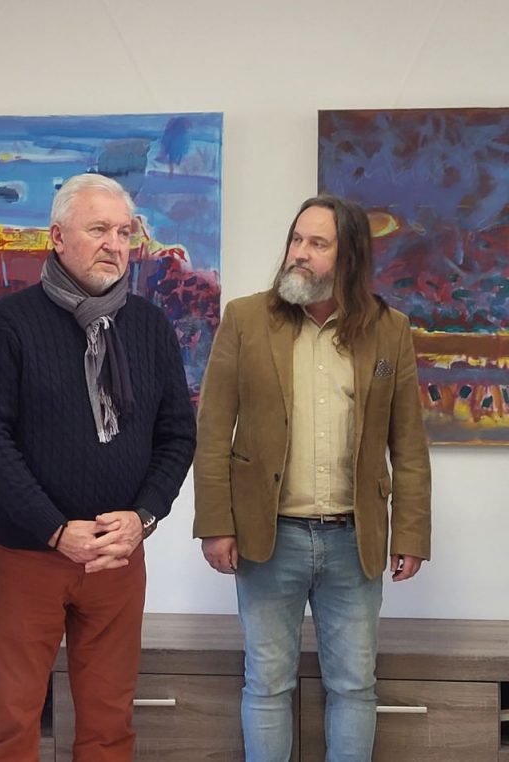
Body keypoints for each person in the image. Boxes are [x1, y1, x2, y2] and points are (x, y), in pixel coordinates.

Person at [0, 173, 197, 762]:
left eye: (124, 232)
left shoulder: (149, 326)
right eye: (98, 230)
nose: (114, 244)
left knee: (109, 723)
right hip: (27, 555)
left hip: (118, 556)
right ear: (58, 237)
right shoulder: (10, 324)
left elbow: (177, 435)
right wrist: (55, 529)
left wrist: (143, 517)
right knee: (13, 721)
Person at [193, 194, 431, 761]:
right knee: (267, 683)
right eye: (296, 240)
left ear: (349, 257)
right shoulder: (246, 320)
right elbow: (213, 430)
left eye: (317, 244)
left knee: (354, 686)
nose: (299, 253)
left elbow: (409, 444)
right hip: (268, 537)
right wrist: (215, 524)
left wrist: (411, 534)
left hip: (354, 540)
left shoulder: (390, 330)